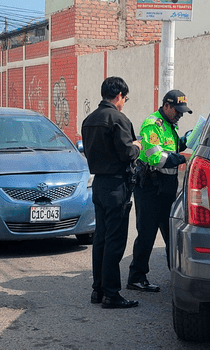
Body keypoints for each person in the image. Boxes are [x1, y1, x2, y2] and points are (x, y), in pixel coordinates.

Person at [81, 77, 142, 309]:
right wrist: (137, 146)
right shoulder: (118, 119)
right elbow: (127, 153)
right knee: (115, 242)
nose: (124, 102)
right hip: (117, 185)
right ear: (119, 96)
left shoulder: (89, 120)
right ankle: (111, 294)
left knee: (101, 239)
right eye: (125, 98)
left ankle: (98, 290)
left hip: (99, 183)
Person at [127, 89, 191, 293]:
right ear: (166, 106)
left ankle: (177, 275)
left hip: (166, 187)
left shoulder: (170, 125)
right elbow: (157, 157)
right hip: (150, 188)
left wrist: (184, 142)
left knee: (171, 234)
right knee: (146, 234)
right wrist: (182, 158)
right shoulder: (152, 124)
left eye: (182, 111)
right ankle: (136, 277)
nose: (180, 114)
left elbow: (169, 148)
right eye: (177, 110)